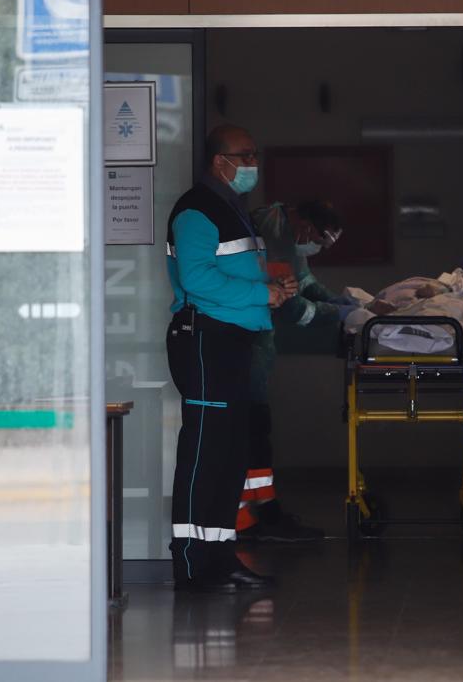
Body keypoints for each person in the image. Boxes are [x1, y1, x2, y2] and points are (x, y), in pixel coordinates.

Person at [166, 125, 297, 592]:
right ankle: (191, 560)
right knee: (204, 454)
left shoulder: (232, 210)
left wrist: (274, 291)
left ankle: (221, 556)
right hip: (205, 341)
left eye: (254, 154)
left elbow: (234, 273)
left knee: (229, 455)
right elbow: (198, 278)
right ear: (219, 161)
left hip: (231, 341)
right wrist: (261, 291)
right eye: (244, 156)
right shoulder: (197, 211)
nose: (251, 164)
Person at [238, 200, 356, 541]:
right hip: (246, 344)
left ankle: (263, 510)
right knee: (252, 429)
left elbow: (303, 282)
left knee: (257, 429)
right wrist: (338, 315)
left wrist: (340, 301)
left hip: (257, 342)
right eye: (319, 240)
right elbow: (291, 306)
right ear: (304, 225)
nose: (317, 247)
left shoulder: (287, 238)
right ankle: (255, 517)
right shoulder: (272, 236)